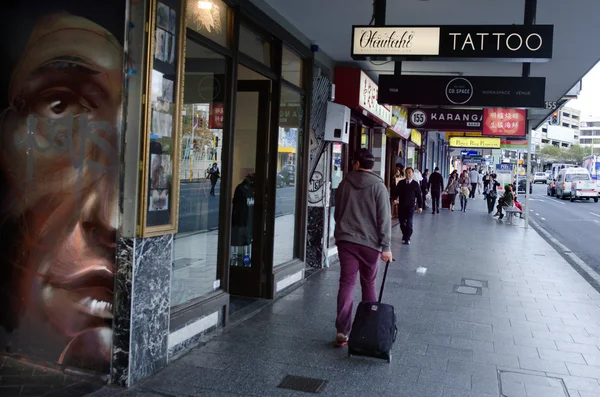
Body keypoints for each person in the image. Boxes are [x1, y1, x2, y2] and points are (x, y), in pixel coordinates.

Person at [333, 148, 392, 347]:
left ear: (357, 164)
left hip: (347, 241)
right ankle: (368, 330)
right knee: (368, 285)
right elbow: (384, 219)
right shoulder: (379, 187)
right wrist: (386, 246)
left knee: (347, 284)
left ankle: (342, 331)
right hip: (370, 245)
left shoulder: (344, 183)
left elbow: (337, 212)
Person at [395, 167, 423, 244]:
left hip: (410, 207)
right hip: (401, 206)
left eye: (409, 172)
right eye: (406, 172)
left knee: (409, 223)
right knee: (402, 223)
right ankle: (405, 235)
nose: (408, 174)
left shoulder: (415, 184)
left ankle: (407, 238)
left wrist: (420, 206)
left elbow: (419, 196)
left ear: (413, 174)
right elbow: (396, 192)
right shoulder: (401, 183)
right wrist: (394, 199)